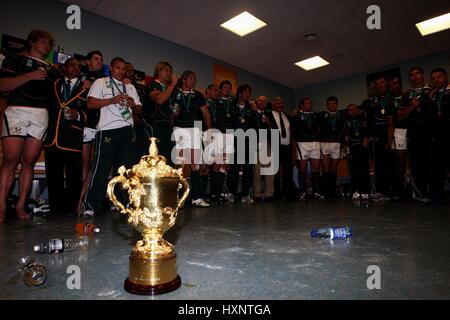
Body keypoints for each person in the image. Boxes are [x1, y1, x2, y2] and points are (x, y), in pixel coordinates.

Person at [0, 30, 57, 223]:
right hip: (17, 110)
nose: (47, 45)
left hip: (40, 114)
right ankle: (0, 206)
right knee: (10, 159)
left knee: (29, 162)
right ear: (32, 41)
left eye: (50, 43)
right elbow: (3, 85)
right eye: (44, 41)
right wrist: (30, 76)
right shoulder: (14, 60)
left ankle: (20, 206)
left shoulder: (52, 70)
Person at [82, 57, 142, 217]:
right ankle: (90, 206)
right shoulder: (100, 82)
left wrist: (133, 105)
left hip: (127, 131)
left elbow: (139, 110)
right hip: (107, 130)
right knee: (100, 170)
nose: (121, 71)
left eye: (124, 69)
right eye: (118, 68)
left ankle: (123, 204)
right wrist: (111, 100)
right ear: (111, 68)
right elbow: (90, 103)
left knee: (125, 171)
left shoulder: (130, 87)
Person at [43, 57, 88, 216]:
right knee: (53, 176)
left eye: (78, 66)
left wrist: (78, 115)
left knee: (73, 177)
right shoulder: (53, 84)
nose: (75, 68)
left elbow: (92, 114)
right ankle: (56, 208)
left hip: (72, 138)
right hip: (52, 138)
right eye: (72, 65)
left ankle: (70, 209)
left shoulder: (86, 88)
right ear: (65, 67)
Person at [171, 71, 212, 207]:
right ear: (183, 79)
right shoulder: (174, 93)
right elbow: (169, 112)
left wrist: (209, 130)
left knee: (195, 164)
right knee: (180, 164)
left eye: (195, 79)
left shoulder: (198, 95)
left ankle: (197, 197)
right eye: (191, 79)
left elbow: (206, 112)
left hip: (194, 130)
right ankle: (179, 198)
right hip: (179, 130)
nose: (193, 81)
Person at [77, 50, 105, 214]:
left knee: (96, 165)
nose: (99, 62)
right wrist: (83, 87)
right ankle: (79, 200)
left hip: (99, 126)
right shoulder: (80, 78)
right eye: (96, 59)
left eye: (101, 60)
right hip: (84, 125)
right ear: (87, 62)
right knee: (85, 164)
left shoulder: (104, 81)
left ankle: (89, 200)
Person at [400, 67, 433, 203]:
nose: (414, 76)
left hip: (431, 132)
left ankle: (435, 194)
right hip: (413, 132)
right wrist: (412, 107)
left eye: (417, 73)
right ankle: (420, 195)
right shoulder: (407, 95)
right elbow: (400, 116)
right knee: (416, 164)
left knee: (432, 163)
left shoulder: (432, 91)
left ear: (423, 75)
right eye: (411, 75)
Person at [362, 76, 396, 200]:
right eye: (377, 84)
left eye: (382, 82)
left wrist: (389, 140)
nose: (380, 85)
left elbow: (393, 120)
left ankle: (395, 191)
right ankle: (381, 191)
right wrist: (366, 137)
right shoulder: (371, 101)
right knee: (379, 165)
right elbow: (368, 121)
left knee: (393, 164)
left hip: (392, 134)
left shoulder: (392, 97)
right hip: (376, 137)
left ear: (386, 83)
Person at [227, 84, 257, 204]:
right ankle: (231, 193)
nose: (248, 95)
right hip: (234, 141)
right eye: (246, 92)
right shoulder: (231, 107)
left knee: (248, 169)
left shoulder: (251, 109)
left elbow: (256, 125)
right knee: (233, 168)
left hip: (248, 142)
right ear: (240, 93)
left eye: (249, 93)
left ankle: (245, 194)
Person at [292, 97, 323, 200]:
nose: (309, 105)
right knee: (302, 168)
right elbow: (293, 130)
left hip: (315, 143)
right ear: (302, 105)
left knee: (315, 168)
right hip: (302, 144)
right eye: (307, 103)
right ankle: (302, 192)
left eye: (310, 103)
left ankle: (316, 192)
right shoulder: (296, 116)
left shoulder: (315, 115)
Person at [149, 61, 178, 163]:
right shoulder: (153, 84)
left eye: (170, 71)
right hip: (156, 125)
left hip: (168, 126)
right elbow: (159, 100)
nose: (169, 73)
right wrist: (172, 85)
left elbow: (173, 109)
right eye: (166, 70)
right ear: (159, 71)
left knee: (169, 159)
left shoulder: (170, 89)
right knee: (158, 158)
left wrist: (174, 112)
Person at [429, 68, 450, 206]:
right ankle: (437, 199)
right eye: (434, 78)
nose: (437, 80)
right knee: (437, 169)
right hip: (436, 136)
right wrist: (431, 95)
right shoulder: (432, 96)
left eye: (439, 76)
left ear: (446, 76)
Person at [124, 62, 153, 160]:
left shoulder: (140, 89)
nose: (132, 73)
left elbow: (144, 108)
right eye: (128, 71)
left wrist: (138, 114)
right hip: (123, 126)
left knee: (139, 155)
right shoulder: (115, 86)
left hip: (139, 127)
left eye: (132, 71)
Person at [319, 96, 346, 199]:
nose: (332, 105)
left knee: (334, 168)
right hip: (325, 143)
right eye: (330, 104)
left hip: (336, 144)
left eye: (334, 103)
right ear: (327, 105)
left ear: (337, 104)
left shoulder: (341, 116)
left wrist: (343, 143)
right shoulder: (322, 115)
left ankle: (333, 191)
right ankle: (326, 192)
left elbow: (344, 131)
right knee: (326, 168)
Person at [268, 96, 295, 200]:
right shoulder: (269, 116)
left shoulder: (287, 116)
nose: (280, 105)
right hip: (275, 145)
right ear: (273, 105)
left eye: (282, 104)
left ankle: (288, 193)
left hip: (287, 146)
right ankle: (276, 193)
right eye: (278, 103)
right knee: (276, 171)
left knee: (288, 171)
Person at [387, 78, 408, 200]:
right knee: (400, 164)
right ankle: (400, 191)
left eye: (395, 84)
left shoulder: (408, 96)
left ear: (399, 84)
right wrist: (389, 141)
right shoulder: (390, 102)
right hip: (398, 132)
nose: (393, 86)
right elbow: (394, 121)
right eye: (391, 85)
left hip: (413, 130)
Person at [344, 104, 371, 200]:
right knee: (354, 171)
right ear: (348, 112)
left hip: (363, 148)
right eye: (350, 110)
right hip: (352, 149)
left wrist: (366, 138)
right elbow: (344, 136)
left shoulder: (364, 119)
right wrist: (346, 147)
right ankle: (355, 191)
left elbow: (368, 131)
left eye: (354, 108)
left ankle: (366, 191)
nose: (353, 111)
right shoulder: (346, 122)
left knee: (365, 171)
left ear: (358, 109)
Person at [252, 96, 274, 202]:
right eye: (260, 100)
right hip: (255, 143)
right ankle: (257, 194)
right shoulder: (252, 113)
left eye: (264, 101)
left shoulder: (270, 114)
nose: (262, 102)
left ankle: (269, 193)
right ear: (256, 102)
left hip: (266, 143)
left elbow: (273, 129)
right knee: (257, 170)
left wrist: (268, 122)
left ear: (266, 103)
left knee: (269, 169)